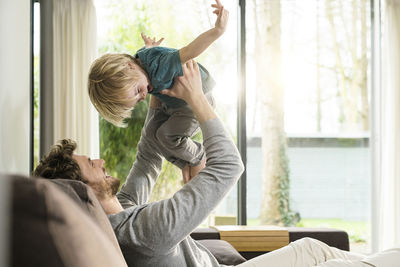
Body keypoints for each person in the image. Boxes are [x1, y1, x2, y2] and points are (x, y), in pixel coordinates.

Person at [33, 61, 400, 267]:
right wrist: (196, 98)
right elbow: (229, 167)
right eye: (88, 164)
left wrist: (157, 99)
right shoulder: (141, 231)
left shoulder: (124, 213)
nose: (99, 160)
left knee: (312, 249)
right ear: (82, 190)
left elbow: (148, 155)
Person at [87, 0, 228, 180]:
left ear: (130, 67)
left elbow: (190, 51)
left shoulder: (160, 70)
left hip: (196, 102)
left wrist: (218, 31)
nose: (144, 95)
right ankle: (186, 161)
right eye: (139, 99)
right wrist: (152, 48)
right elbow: (151, 58)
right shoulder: (140, 62)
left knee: (166, 136)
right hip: (177, 104)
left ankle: (199, 156)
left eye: (138, 90)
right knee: (156, 137)